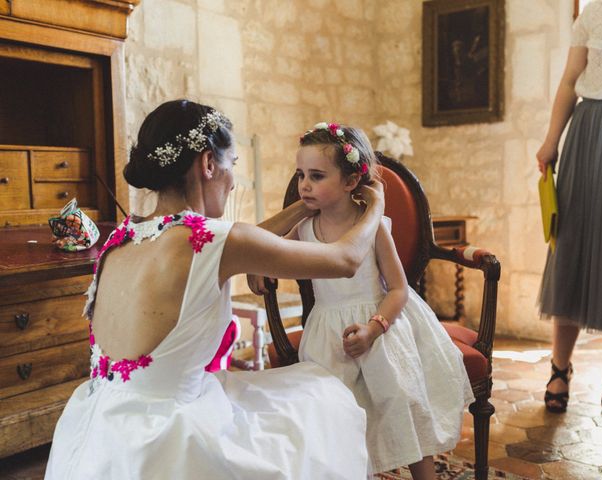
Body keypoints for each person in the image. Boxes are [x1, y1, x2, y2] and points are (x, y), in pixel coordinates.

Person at [44, 100, 386, 479]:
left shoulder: (122, 238)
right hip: (170, 437)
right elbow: (345, 260)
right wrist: (375, 207)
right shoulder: (215, 241)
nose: (233, 180)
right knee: (322, 395)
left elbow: (244, 241)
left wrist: (303, 209)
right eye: (232, 165)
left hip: (97, 432)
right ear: (209, 164)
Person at [248, 123, 474, 480]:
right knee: (337, 415)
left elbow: (399, 289)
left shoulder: (373, 227)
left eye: (317, 176)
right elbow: (267, 250)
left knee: (403, 403)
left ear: (351, 181)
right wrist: (262, 269)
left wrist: (373, 329)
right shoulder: (305, 229)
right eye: (301, 174)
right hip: (328, 337)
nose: (304, 185)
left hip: (382, 327)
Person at [537, 0, 602, 414]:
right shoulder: (592, 13)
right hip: (588, 133)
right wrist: (550, 141)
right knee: (573, 245)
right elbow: (568, 81)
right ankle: (559, 366)